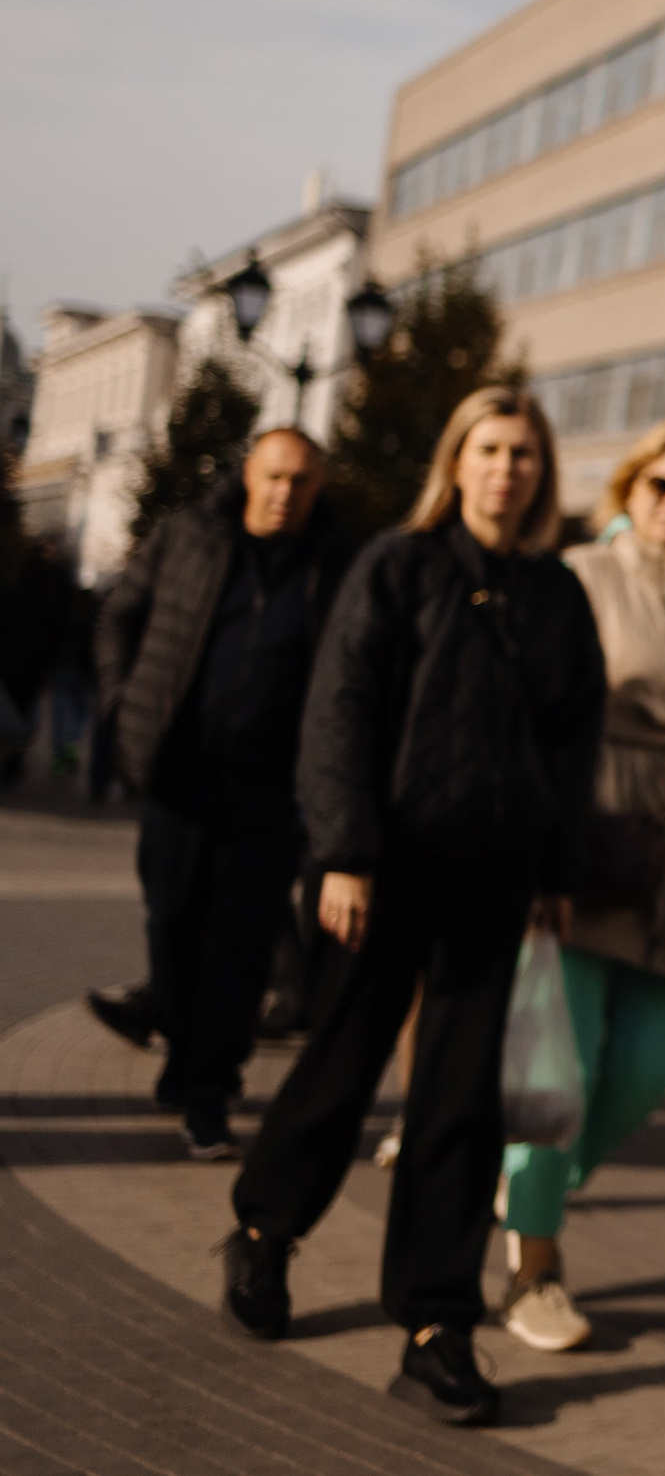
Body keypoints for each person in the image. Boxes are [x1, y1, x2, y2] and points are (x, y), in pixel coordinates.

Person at [218, 387, 606, 1430]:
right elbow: (337, 710)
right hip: (379, 869)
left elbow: (575, 745)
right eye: (488, 448)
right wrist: (343, 852)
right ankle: (263, 1231)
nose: (506, 469)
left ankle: (437, 1324)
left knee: (460, 1097)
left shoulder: (557, 593)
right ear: (458, 459)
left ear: (542, 470)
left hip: (497, 874)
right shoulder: (398, 564)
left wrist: (558, 870)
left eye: (523, 453)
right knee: (341, 1065)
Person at [497, 421, 665, 1352]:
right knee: (553, 1077)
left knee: (647, 1069)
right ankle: (533, 1262)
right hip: (587, 837)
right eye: (660, 484)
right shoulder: (578, 575)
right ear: (630, 486)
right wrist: (540, 847)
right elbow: (534, 713)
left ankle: (536, 1189)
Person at [87, 428, 356, 1157]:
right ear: (248, 474)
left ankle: (208, 1091)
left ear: (318, 485)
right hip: (179, 774)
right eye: (273, 477)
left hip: (272, 791)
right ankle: (182, 1051)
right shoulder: (191, 536)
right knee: (173, 922)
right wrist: (121, 706)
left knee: (241, 945)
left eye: (301, 481)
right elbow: (119, 617)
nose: (284, 494)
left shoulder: (333, 565)